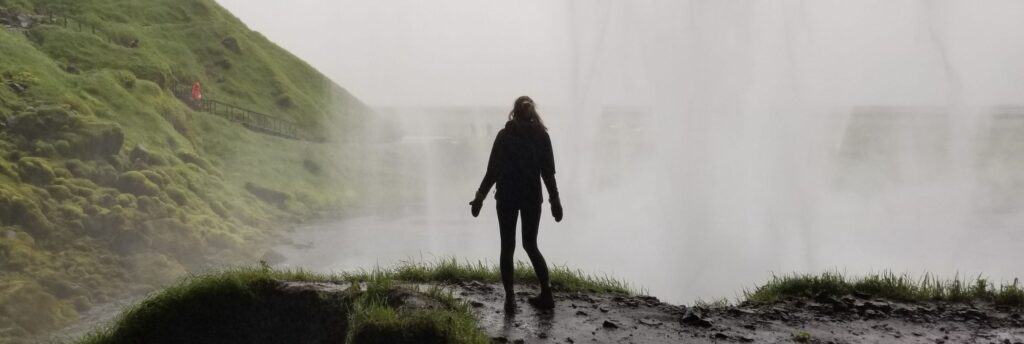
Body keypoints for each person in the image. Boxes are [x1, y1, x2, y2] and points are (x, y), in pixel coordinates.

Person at [470, 95, 563, 312]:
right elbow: (548, 173)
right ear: (533, 112)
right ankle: (547, 294)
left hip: (507, 198)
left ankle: (510, 299)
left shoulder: (504, 136)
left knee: (507, 246)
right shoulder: (542, 136)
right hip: (532, 198)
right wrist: (554, 200)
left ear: (513, 113)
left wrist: (480, 197)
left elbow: (492, 171)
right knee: (531, 244)